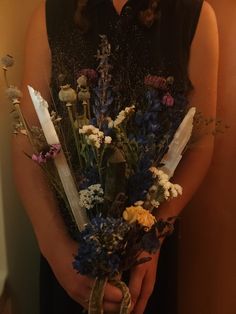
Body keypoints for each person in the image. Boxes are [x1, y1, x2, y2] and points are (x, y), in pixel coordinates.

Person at [12, 0, 218, 313]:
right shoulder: (51, 14)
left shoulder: (195, 16)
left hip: (146, 261)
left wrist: (153, 238)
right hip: (70, 254)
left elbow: (200, 145)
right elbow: (28, 139)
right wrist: (54, 247)